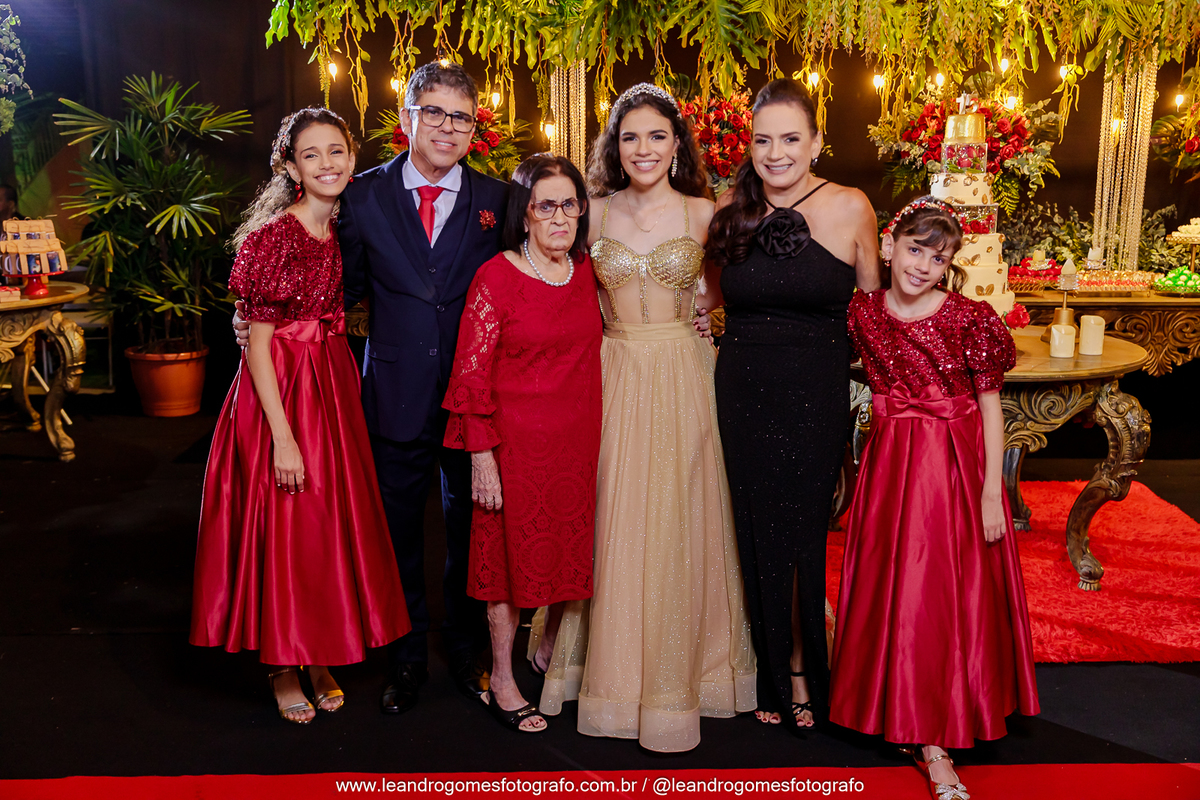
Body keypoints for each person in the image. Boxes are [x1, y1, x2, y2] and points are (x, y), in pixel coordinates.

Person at [234, 62, 507, 714]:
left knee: (471, 532)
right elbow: (335, 288)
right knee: (396, 536)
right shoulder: (361, 197)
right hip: (390, 397)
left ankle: (467, 650)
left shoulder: (501, 201)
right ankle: (405, 659)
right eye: (433, 112)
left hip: (473, 402)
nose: (447, 127)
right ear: (407, 119)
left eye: (460, 117)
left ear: (474, 128)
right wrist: (252, 322)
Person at [536, 83, 756, 753]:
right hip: (613, 372)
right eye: (630, 136)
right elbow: (558, 283)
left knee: (682, 514)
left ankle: (691, 672)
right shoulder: (593, 212)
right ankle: (605, 672)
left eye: (657, 135)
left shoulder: (704, 212)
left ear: (676, 144)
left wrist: (703, 313)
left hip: (685, 373)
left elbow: (726, 288)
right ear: (614, 146)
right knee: (613, 514)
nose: (643, 148)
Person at [192, 108, 411, 724]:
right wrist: (282, 439)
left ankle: (316, 653)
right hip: (281, 392)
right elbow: (257, 347)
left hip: (330, 386)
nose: (327, 164)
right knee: (287, 525)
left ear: (352, 157)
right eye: (310, 154)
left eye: (336, 150)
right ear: (290, 167)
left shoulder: (343, 230)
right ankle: (283, 665)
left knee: (323, 527)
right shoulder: (273, 238)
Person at [829, 197, 1039, 799]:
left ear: (950, 265)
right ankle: (886, 702)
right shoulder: (862, 312)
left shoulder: (969, 319)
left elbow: (992, 408)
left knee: (939, 592)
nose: (923, 266)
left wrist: (993, 492)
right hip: (891, 463)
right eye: (915, 249)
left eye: (938, 258)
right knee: (891, 583)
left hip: (950, 465)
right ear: (889, 246)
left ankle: (936, 735)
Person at [706, 78, 880, 733]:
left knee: (805, 531)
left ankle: (805, 666)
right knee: (752, 529)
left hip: (815, 391)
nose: (775, 153)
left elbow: (873, 315)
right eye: (762, 140)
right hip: (743, 389)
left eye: (789, 139)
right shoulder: (730, 207)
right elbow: (707, 297)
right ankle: (765, 668)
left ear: (815, 142)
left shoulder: (851, 206)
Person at [442, 153, 602, 733]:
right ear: (525, 213)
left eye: (569, 205)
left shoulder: (586, 270)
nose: (559, 218)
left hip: (578, 444)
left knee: (571, 551)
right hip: (514, 449)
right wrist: (482, 458)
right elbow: (470, 374)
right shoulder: (497, 277)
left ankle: (550, 647)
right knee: (506, 569)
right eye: (546, 206)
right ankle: (504, 677)